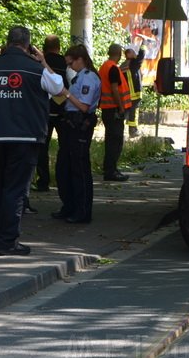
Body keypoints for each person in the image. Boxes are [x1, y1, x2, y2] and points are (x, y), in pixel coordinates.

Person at [0, 26, 64, 255]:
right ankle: (8, 242)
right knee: (15, 191)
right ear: (28, 45)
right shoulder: (36, 70)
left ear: (8, 42)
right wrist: (42, 61)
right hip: (25, 138)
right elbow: (59, 87)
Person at [52, 44, 101, 223]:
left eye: (71, 63)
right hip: (70, 124)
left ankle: (82, 211)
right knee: (63, 168)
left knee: (79, 169)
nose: (69, 67)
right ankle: (69, 206)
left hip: (80, 124)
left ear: (80, 60)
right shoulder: (80, 76)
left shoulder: (89, 78)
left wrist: (65, 94)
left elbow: (84, 106)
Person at [36, 34, 67, 192]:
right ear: (59, 46)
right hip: (62, 110)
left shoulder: (39, 61)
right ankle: (63, 179)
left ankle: (43, 181)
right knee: (65, 147)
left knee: (42, 148)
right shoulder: (64, 62)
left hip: (44, 111)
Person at [98, 43, 132, 181]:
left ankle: (110, 169)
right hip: (114, 110)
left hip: (108, 109)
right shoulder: (112, 68)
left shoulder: (104, 67)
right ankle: (111, 171)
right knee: (115, 141)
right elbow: (114, 89)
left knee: (111, 140)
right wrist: (121, 107)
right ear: (119, 54)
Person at [121, 43, 146, 138]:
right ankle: (133, 131)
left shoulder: (123, 65)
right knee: (133, 112)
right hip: (134, 93)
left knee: (127, 112)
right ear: (128, 54)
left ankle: (125, 130)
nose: (135, 53)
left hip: (126, 94)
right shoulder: (133, 63)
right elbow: (141, 56)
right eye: (132, 52)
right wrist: (144, 44)